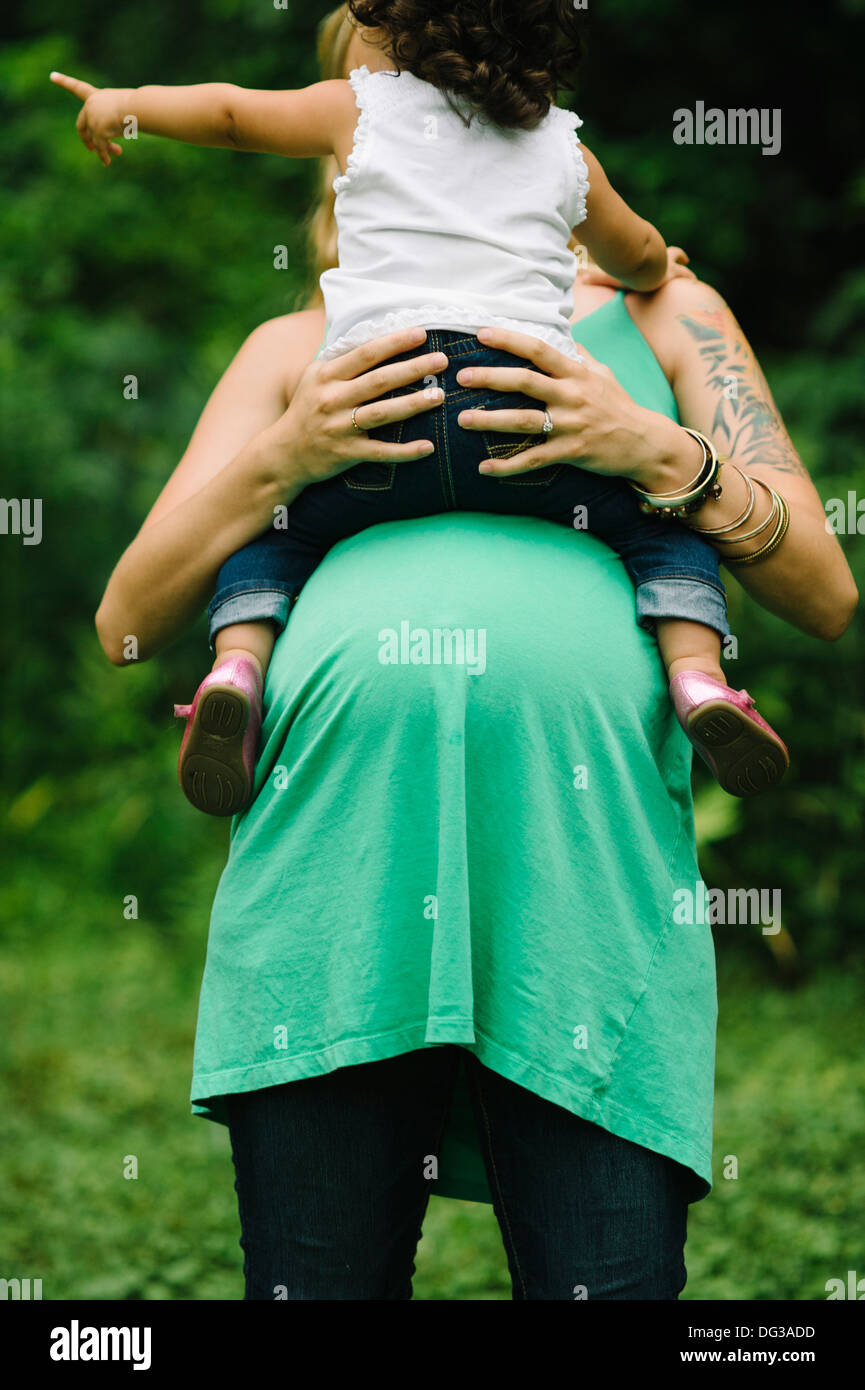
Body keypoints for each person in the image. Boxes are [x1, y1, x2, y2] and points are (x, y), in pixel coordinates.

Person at [90, 7, 857, 1300]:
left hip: (587, 912)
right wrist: (284, 457)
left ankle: (694, 672)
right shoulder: (293, 354)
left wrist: (654, 449)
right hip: (331, 908)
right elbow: (123, 621)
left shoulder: (666, 316)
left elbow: (827, 595)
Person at [52, 1, 787, 818]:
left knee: (271, 533)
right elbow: (642, 253)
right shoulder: (564, 150)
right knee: (662, 530)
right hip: (520, 417)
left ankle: (235, 669)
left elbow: (228, 112)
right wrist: (654, 270)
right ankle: (699, 679)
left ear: (388, 35)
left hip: (382, 409)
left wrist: (124, 103)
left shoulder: (356, 103)